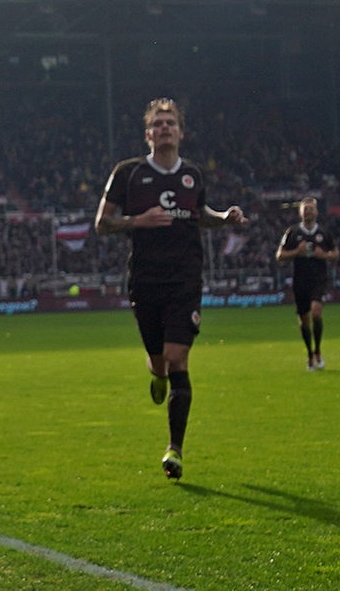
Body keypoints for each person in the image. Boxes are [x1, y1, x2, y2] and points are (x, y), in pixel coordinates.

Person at [96, 97, 247, 481]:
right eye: (158, 124)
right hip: (145, 280)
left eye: (170, 123)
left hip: (185, 279)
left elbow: (200, 216)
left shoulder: (193, 174)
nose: (164, 128)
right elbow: (102, 223)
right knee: (160, 361)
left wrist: (223, 217)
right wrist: (138, 221)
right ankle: (156, 374)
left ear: (180, 132)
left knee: (179, 359)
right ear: (148, 134)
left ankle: (174, 450)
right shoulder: (128, 173)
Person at [275, 197, 336, 369]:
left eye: (311, 208)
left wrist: (324, 255)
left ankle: (318, 351)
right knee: (304, 321)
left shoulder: (324, 233)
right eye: (305, 209)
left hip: (318, 279)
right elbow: (280, 256)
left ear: (316, 212)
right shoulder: (293, 232)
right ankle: (309, 353)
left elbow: (335, 253)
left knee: (316, 313)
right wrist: (297, 251)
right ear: (300, 212)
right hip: (300, 281)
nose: (308, 211)